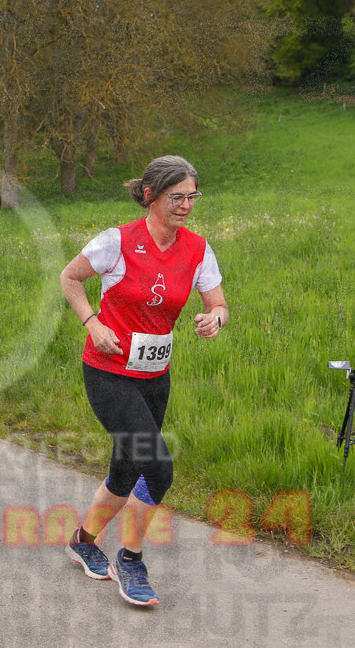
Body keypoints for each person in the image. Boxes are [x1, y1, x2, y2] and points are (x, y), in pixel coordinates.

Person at [59, 155, 228, 607]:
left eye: (192, 196)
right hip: (108, 371)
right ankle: (130, 559)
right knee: (158, 466)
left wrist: (214, 318)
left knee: (127, 468)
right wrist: (93, 323)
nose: (186, 205)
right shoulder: (116, 241)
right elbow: (70, 278)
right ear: (151, 196)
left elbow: (218, 304)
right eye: (177, 197)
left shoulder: (198, 249)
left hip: (155, 376)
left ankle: (82, 542)